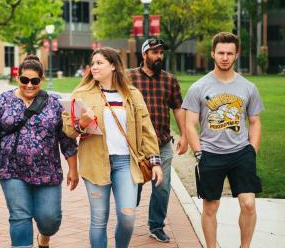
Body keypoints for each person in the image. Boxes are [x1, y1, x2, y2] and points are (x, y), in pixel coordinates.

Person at [62, 47, 163, 248]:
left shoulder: (132, 94)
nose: (94, 67)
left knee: (127, 217)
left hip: (126, 162)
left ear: (114, 66)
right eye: (93, 63)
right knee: (99, 219)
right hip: (95, 162)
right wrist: (81, 124)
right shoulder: (81, 94)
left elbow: (146, 129)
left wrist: (155, 162)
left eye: (99, 63)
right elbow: (67, 129)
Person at [0, 55, 78, 248]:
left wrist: (73, 169)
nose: (29, 85)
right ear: (18, 78)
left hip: (47, 171)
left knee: (50, 220)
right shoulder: (4, 101)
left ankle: (45, 236)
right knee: (19, 216)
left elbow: (67, 139)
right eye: (25, 80)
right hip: (10, 169)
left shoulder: (54, 103)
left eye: (34, 81)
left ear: (41, 80)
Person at [182, 32, 264, 248]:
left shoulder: (248, 87)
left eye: (229, 53)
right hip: (210, 153)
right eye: (221, 53)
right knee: (211, 206)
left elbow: (254, 121)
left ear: (236, 55)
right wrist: (199, 153)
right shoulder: (199, 87)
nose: (225, 57)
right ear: (213, 54)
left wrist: (251, 151)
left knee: (248, 204)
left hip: (241, 153)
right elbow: (189, 123)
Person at [127, 38, 188, 243]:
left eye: (161, 53)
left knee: (162, 188)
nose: (159, 56)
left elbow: (178, 108)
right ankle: (126, 221)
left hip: (162, 144)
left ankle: (156, 225)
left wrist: (184, 135)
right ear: (144, 55)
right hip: (136, 147)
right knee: (132, 189)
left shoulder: (170, 80)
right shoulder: (129, 77)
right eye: (154, 52)